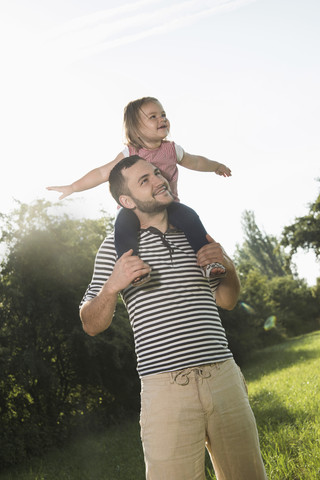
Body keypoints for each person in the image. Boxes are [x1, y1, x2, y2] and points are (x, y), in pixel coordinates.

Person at [80, 156, 268, 480]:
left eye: (156, 172)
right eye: (144, 181)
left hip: (223, 377)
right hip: (165, 390)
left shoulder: (193, 233)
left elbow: (227, 300)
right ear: (126, 201)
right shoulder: (114, 247)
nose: (158, 180)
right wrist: (112, 287)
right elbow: (91, 324)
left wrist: (229, 266)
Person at [47, 96, 231, 285]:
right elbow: (102, 172)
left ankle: (209, 263)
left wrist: (216, 166)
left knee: (190, 217)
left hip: (168, 205)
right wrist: (73, 187)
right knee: (122, 227)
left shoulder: (172, 149)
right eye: (153, 117)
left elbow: (196, 161)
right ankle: (133, 269)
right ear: (136, 128)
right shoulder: (130, 152)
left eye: (163, 114)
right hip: (134, 209)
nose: (162, 119)